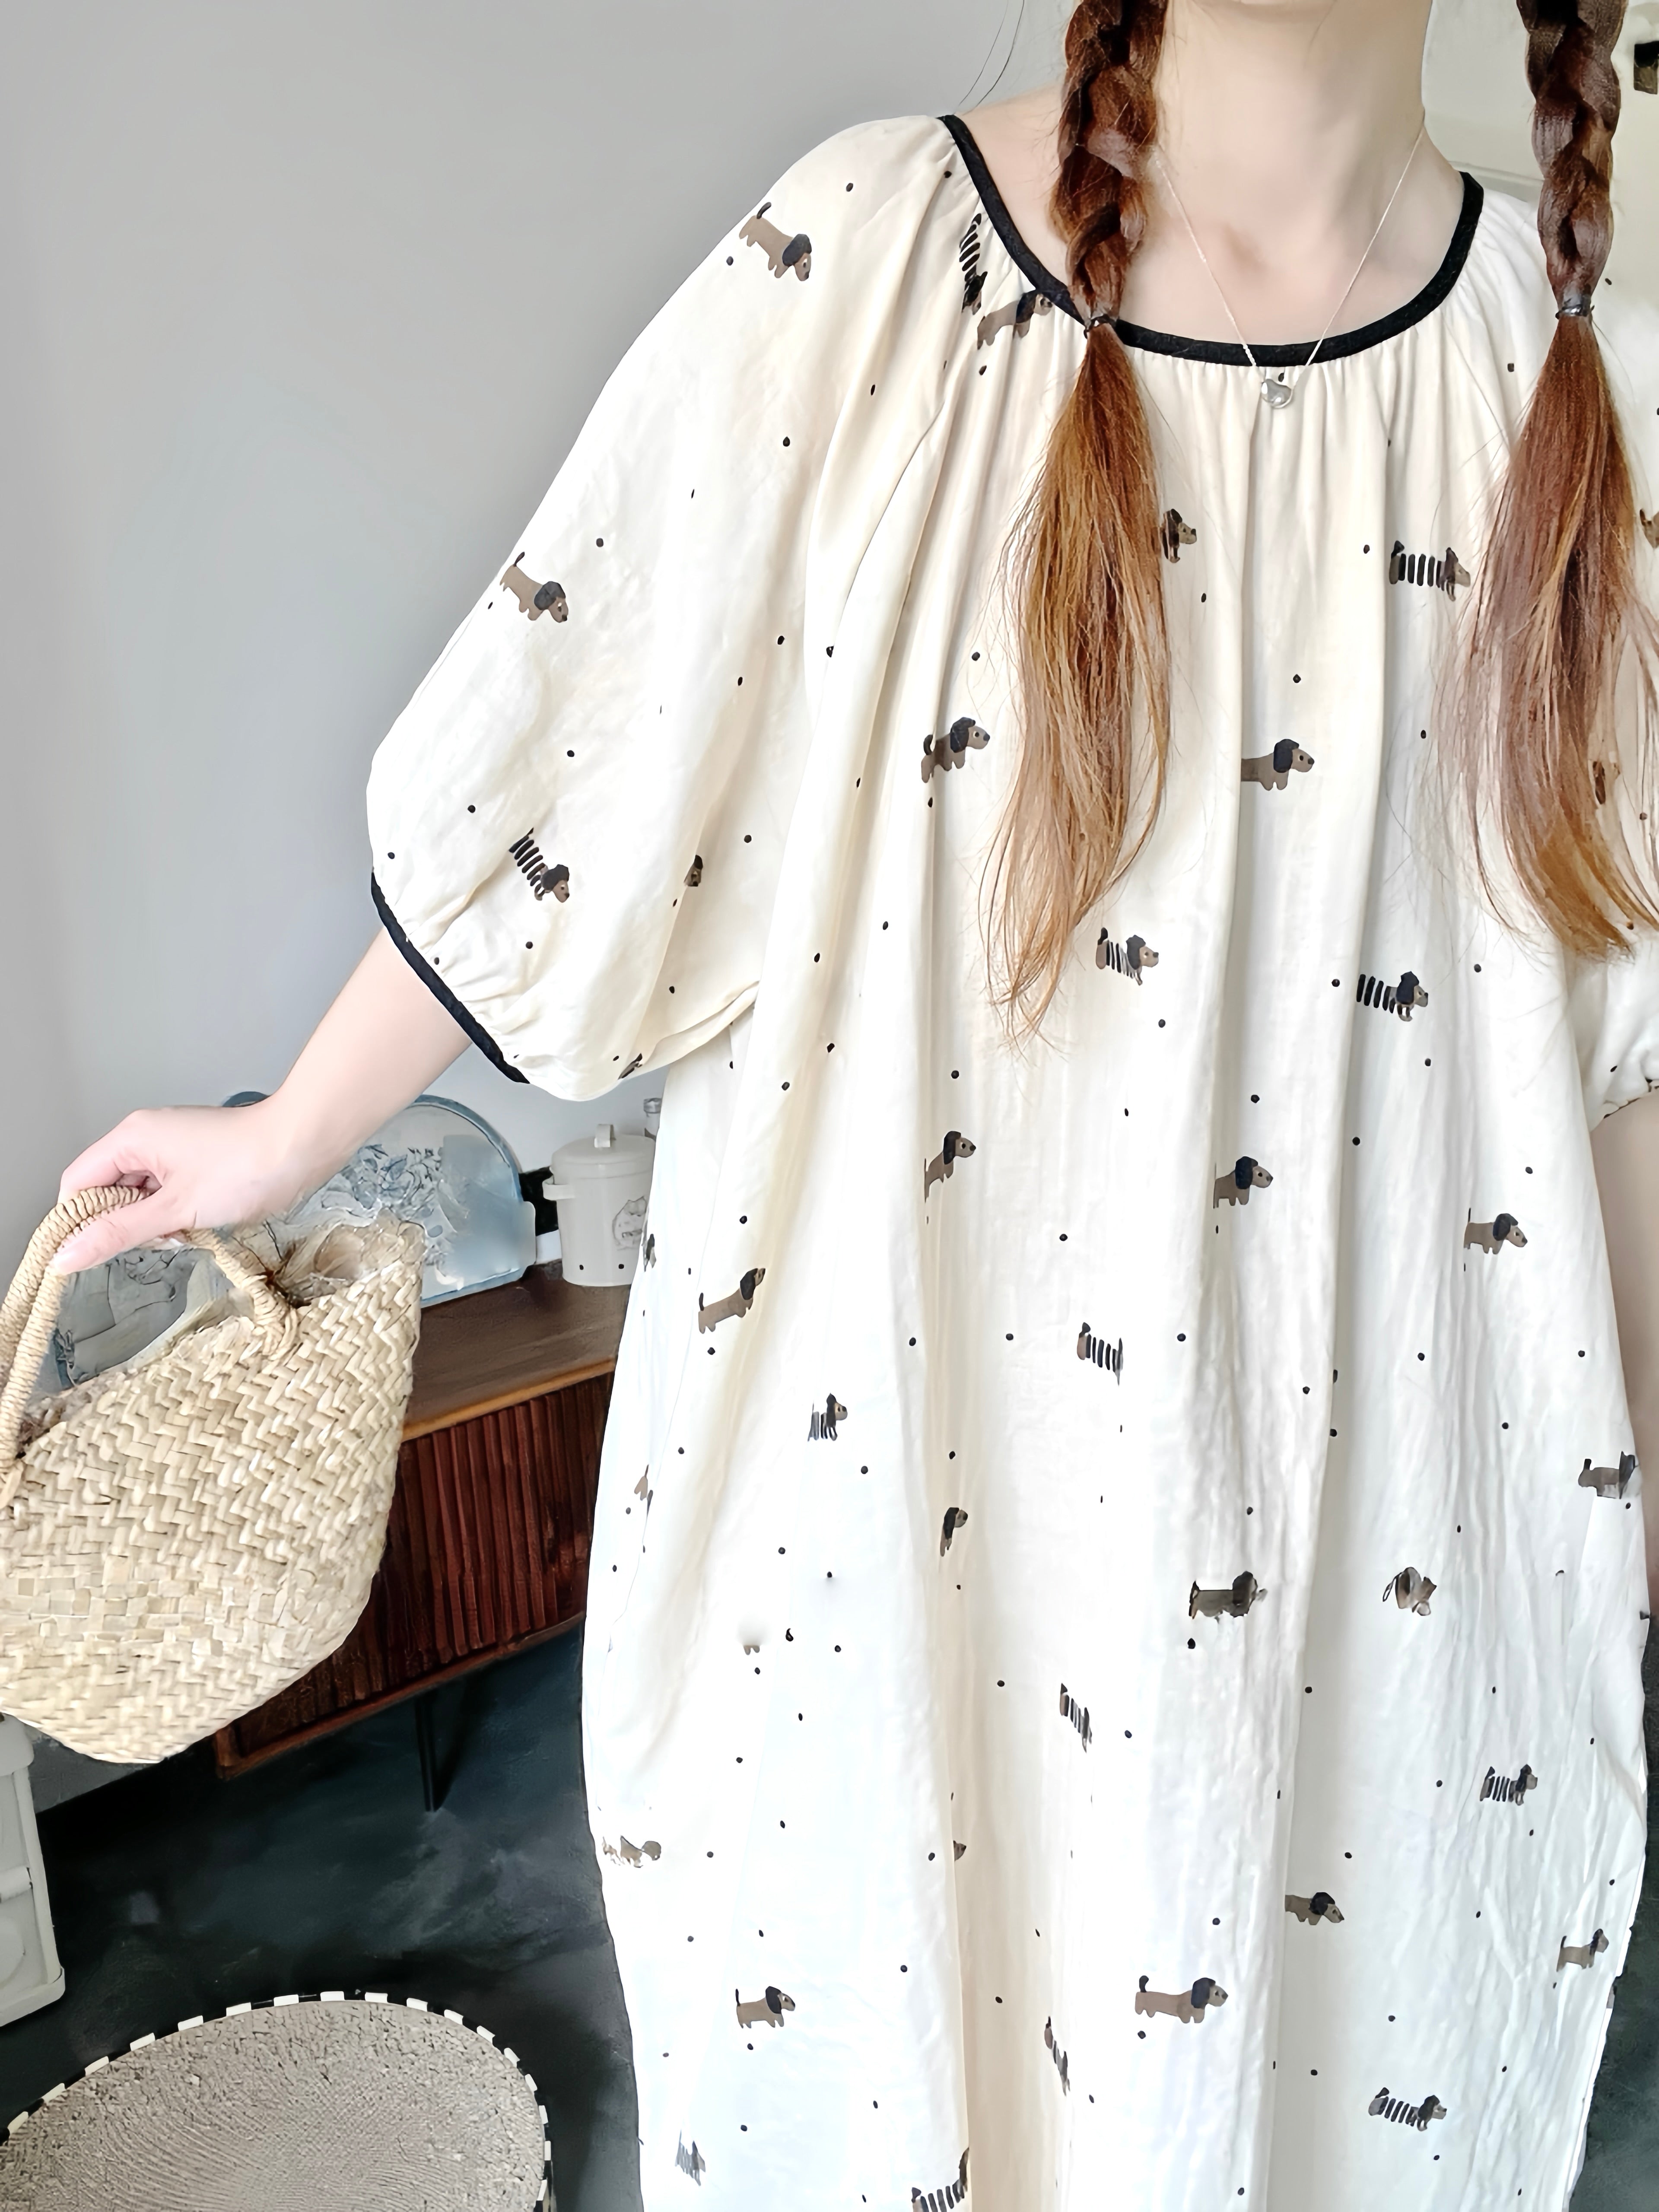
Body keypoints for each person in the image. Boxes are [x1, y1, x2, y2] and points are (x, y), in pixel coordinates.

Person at [49, 1, 1659, 2203]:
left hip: (1405, 1574)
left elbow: (1618, 1060)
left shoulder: (1586, 383)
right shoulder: (873, 266)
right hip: (905, 1537)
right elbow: (580, 749)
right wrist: (286, 1137)